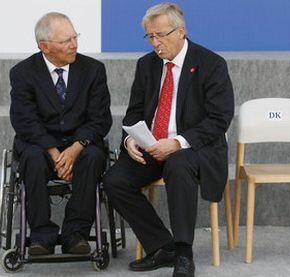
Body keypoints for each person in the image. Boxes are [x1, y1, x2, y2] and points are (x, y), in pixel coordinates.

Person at [103, 3, 234, 277]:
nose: (156, 43)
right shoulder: (146, 65)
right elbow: (133, 113)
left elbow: (219, 118)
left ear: (181, 31)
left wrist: (177, 143)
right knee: (114, 181)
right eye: (150, 36)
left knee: (178, 165)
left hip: (194, 148)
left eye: (161, 35)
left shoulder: (211, 64)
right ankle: (163, 245)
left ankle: (184, 252)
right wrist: (130, 141)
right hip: (152, 145)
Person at [9, 12, 112, 256]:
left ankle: (75, 234)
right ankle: (41, 236)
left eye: (75, 37)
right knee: (32, 159)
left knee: (93, 157)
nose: (74, 44)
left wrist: (76, 148)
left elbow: (100, 118)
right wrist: (55, 152)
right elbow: (24, 120)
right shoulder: (23, 73)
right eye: (66, 40)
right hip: (40, 145)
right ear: (44, 46)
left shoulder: (93, 70)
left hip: (82, 142)